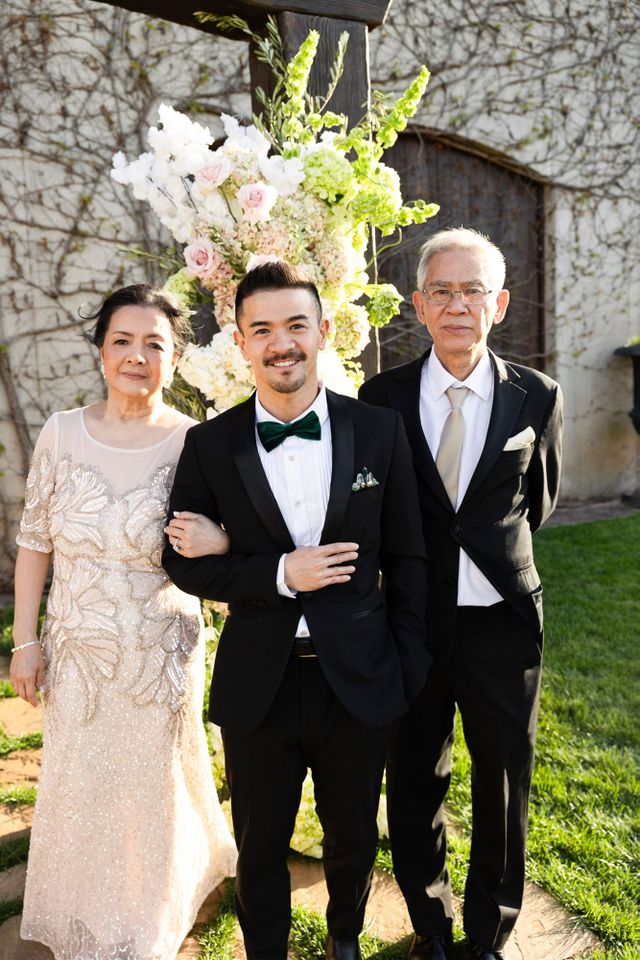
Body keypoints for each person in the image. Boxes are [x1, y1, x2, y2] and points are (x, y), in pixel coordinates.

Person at [162, 260, 430, 960]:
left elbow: (409, 559)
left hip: (360, 676)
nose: (281, 343)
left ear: (323, 331)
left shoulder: (378, 432)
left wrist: (404, 662)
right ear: (240, 342)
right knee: (260, 844)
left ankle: (345, 940)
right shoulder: (209, 444)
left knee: (352, 833)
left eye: (295, 326)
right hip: (260, 683)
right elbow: (182, 560)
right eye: (263, 330)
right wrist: (278, 572)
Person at [9, 284, 237, 960]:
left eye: (155, 345)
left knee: (151, 779)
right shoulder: (61, 431)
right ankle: (81, 899)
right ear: (101, 351)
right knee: (81, 775)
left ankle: (148, 910)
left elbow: (227, 537)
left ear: (174, 359)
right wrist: (26, 642)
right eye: (123, 341)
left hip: (159, 645)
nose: (137, 356)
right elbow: (34, 542)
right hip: (75, 644)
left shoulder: (195, 443)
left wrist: (220, 544)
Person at [359, 228, 563, 960]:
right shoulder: (380, 399)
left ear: (498, 304)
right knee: (415, 775)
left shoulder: (537, 397)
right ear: (417, 304)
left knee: (505, 782)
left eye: (472, 290)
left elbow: (538, 502)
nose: (456, 305)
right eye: (441, 290)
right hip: (412, 623)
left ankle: (490, 932)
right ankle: (432, 924)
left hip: (503, 625)